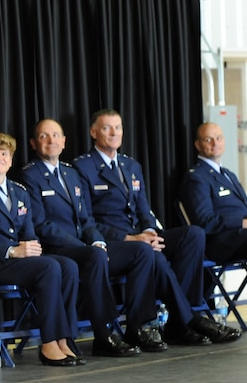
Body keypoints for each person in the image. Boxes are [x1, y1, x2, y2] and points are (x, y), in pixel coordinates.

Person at [73, 108, 241, 346]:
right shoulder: (83, 167)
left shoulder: (131, 165)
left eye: (118, 127)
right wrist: (131, 238)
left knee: (193, 234)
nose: (114, 133)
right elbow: (86, 219)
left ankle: (178, 319)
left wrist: (150, 231)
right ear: (93, 132)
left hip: (142, 236)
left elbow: (144, 209)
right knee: (154, 257)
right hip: (114, 241)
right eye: (106, 128)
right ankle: (187, 320)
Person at [20, 119, 163, 356]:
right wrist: (85, 246)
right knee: (95, 256)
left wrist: (97, 240)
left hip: (87, 248)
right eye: (44, 136)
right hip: (56, 249)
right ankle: (104, 332)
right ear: (34, 143)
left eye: (56, 135)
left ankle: (138, 327)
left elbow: (86, 219)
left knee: (141, 251)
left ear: (64, 142)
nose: (51, 140)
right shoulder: (30, 175)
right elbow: (41, 225)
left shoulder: (70, 173)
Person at [0, 132, 84, 366]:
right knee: (48, 267)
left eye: (4, 153)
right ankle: (49, 343)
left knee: (67, 266)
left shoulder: (20, 192)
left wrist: (31, 247)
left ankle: (64, 338)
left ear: (11, 159)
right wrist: (12, 251)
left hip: (16, 262)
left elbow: (29, 234)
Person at [180, 122, 247, 264]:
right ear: (198, 145)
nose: (215, 143)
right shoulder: (197, 177)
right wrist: (243, 223)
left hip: (242, 236)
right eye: (208, 139)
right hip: (221, 242)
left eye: (219, 138)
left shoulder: (228, 174)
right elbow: (205, 221)